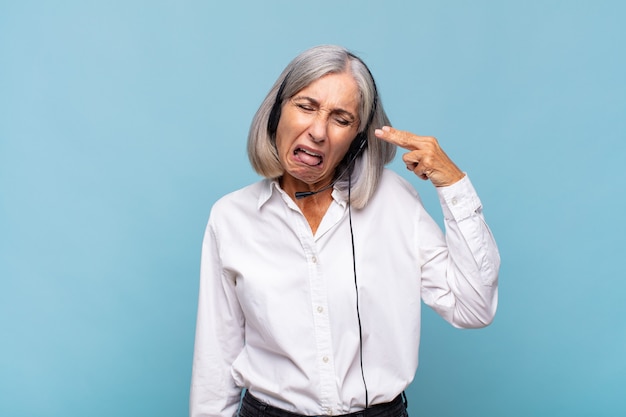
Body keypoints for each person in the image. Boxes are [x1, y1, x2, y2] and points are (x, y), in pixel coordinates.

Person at [190, 45, 499, 417]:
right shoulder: (231, 217)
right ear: (276, 112)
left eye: (340, 118)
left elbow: (474, 307)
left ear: (358, 139)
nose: (318, 131)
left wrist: (453, 185)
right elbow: (216, 357)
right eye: (306, 106)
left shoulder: (395, 202)